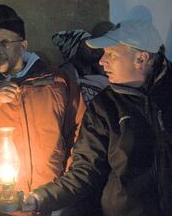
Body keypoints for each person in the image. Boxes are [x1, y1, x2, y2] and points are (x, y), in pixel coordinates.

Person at [0, 4, 86, 216]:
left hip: (47, 201)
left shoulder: (55, 82)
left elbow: (80, 135)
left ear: (23, 45)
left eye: (5, 43)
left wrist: (63, 188)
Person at [23, 19, 172, 216]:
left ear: (141, 59)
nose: (102, 61)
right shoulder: (105, 107)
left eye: (111, 53)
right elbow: (85, 172)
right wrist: (40, 199)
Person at [52, 21, 114, 104]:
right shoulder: (64, 78)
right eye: (86, 44)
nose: (93, 47)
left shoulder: (110, 74)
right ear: (74, 53)